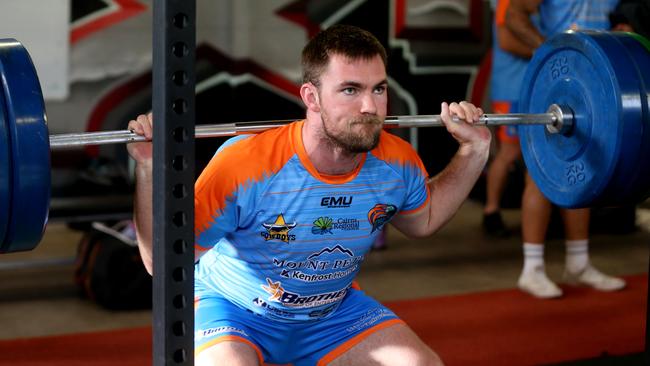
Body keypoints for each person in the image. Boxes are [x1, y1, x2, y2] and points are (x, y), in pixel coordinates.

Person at [127, 25, 490, 365]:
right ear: (311, 97)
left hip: (331, 315)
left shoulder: (397, 164)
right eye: (351, 90)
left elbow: (423, 222)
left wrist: (473, 152)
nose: (370, 107)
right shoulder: (247, 165)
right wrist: (147, 170)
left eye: (378, 89)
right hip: (233, 310)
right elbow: (163, 262)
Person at [505, 0, 626, 299]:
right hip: (554, 84)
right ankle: (531, 270)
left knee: (582, 170)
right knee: (540, 173)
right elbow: (513, 14)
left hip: (594, 87)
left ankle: (578, 263)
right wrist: (550, 49)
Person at [482, 0, 537, 237]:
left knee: (517, 154)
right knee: (509, 153)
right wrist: (545, 50)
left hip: (522, 90)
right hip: (510, 91)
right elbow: (506, 42)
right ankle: (491, 211)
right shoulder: (507, 3)